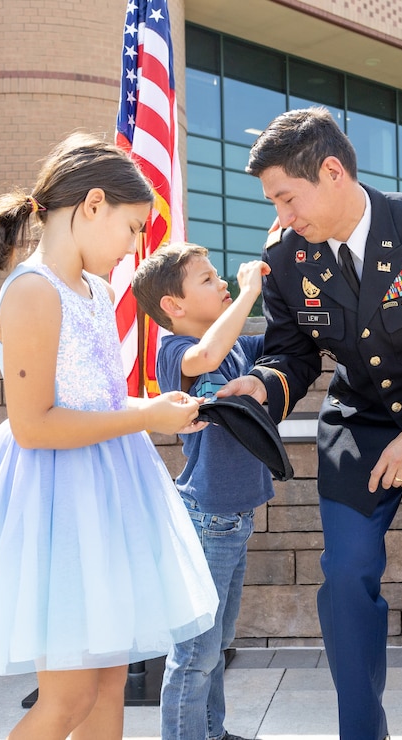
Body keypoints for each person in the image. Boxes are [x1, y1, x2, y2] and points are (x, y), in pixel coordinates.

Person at [220, 107, 402, 740]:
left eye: (287, 198)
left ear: (331, 171)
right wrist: (264, 384)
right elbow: (292, 351)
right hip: (361, 423)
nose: (283, 215)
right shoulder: (288, 255)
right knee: (347, 576)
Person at [0, 133, 219, 739]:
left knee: (106, 686)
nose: (132, 248)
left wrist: (149, 404)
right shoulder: (33, 292)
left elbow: (97, 398)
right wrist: (145, 419)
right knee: (66, 697)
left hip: (105, 498)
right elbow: (35, 423)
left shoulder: (93, 292)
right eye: (131, 228)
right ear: (93, 205)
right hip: (57, 505)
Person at [131, 243, 272, 740]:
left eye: (220, 278)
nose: (223, 284)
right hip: (208, 516)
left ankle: (212, 733)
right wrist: (249, 290)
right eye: (208, 280)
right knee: (195, 652)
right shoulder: (174, 352)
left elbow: (286, 342)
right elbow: (205, 354)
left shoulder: (235, 346)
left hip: (236, 515)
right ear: (174, 306)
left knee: (219, 642)